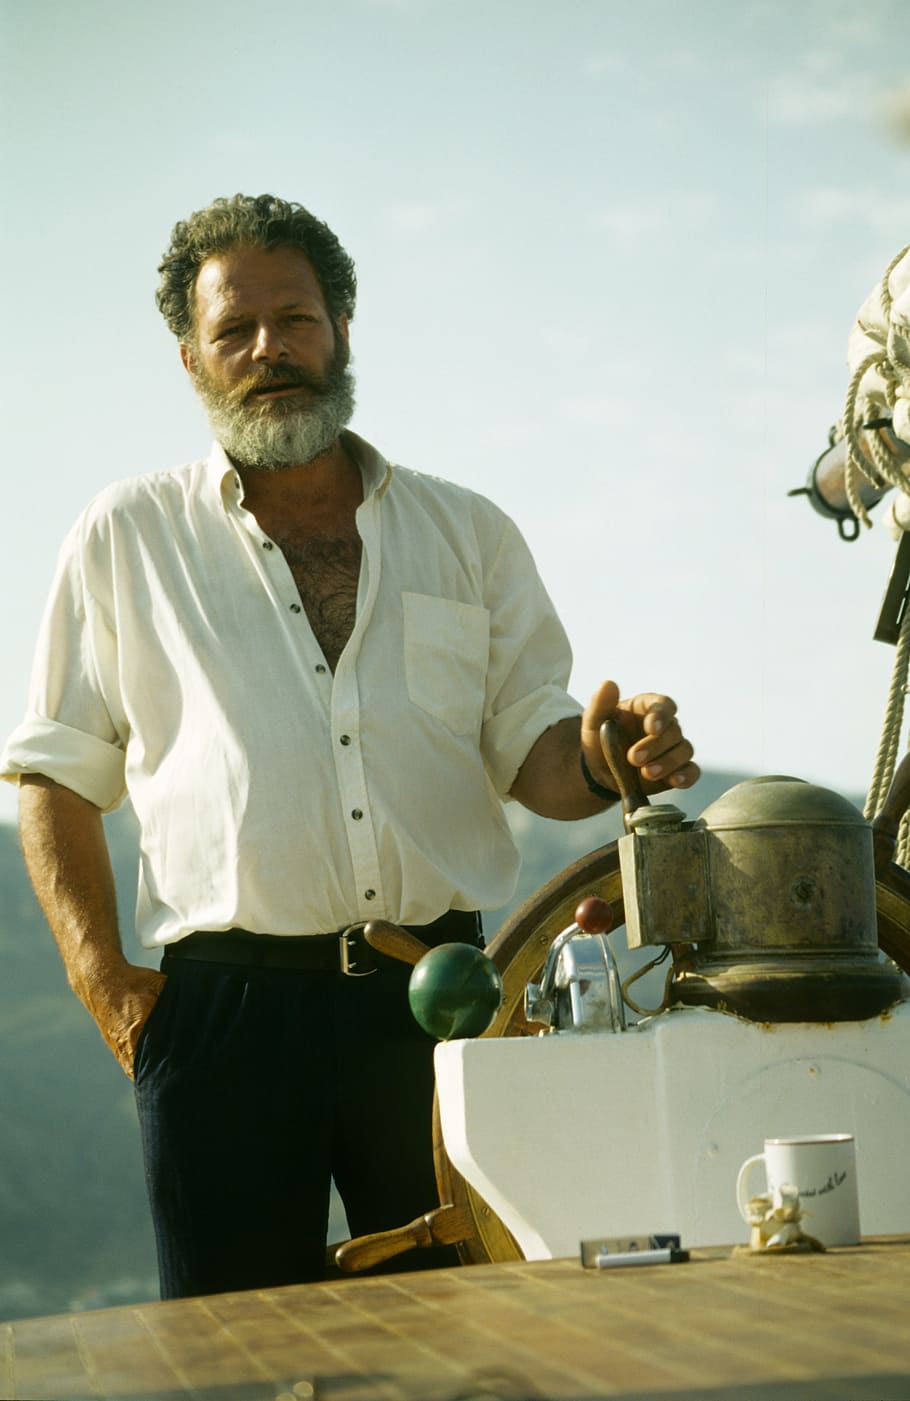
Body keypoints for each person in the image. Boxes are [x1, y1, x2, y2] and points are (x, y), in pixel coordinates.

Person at [1, 194, 699, 1300]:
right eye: (235, 330)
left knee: (466, 1343)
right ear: (191, 358)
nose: (269, 349)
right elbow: (52, 775)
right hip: (221, 1017)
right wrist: (111, 992)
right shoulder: (126, 535)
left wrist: (610, 760)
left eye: (296, 318)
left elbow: (537, 755)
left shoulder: (467, 532)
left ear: (342, 329)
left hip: (445, 998)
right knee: (232, 1356)